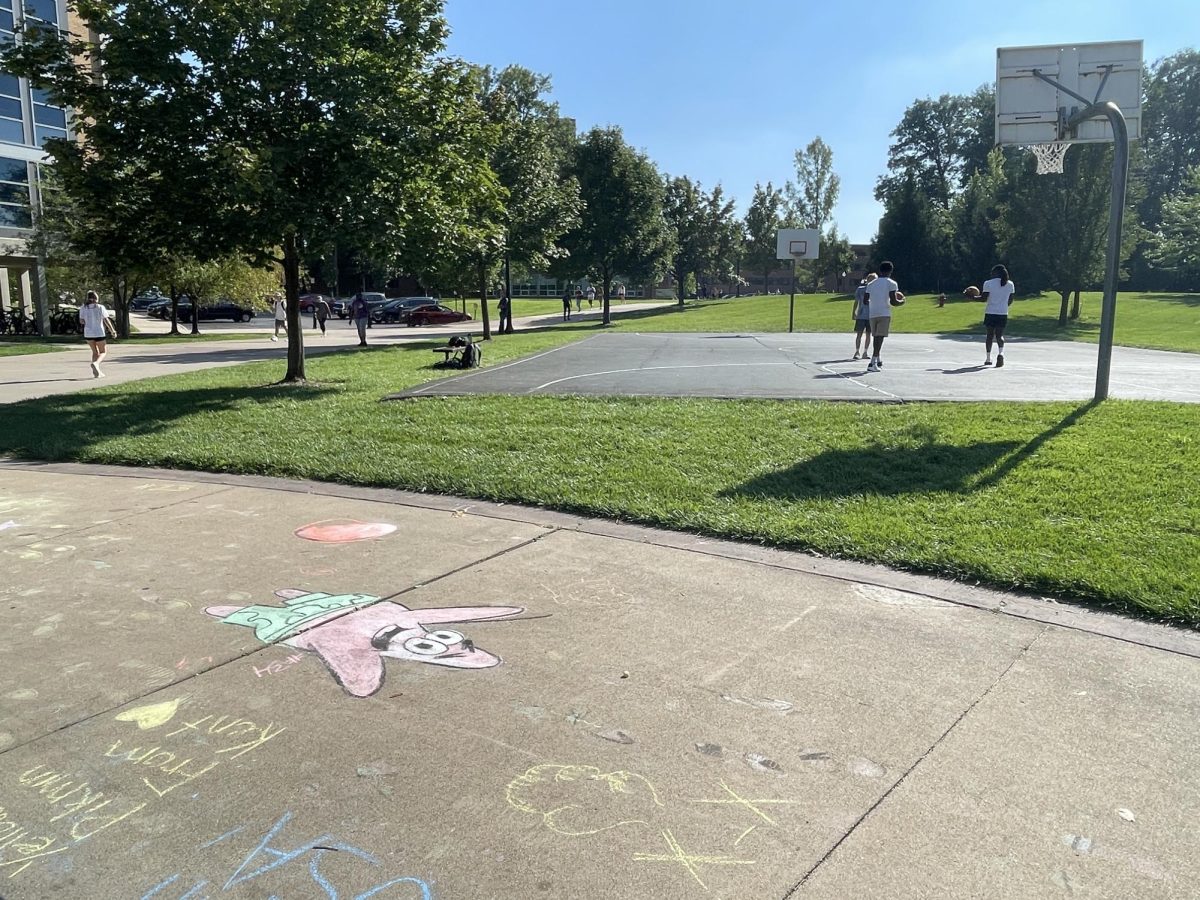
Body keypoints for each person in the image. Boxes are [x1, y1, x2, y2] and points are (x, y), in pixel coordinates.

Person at [863, 261, 900, 373]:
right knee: (880, 338)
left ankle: (878, 359)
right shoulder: (892, 283)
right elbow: (893, 301)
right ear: (890, 271)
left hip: (872, 313)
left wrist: (875, 300)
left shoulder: (871, 284)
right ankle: (872, 362)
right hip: (884, 313)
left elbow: (865, 301)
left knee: (876, 337)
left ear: (880, 270)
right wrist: (901, 301)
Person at [980, 264, 1016, 367]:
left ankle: (988, 358)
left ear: (996, 273)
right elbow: (1010, 300)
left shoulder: (988, 283)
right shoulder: (1010, 284)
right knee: (999, 335)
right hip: (1002, 313)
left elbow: (983, 298)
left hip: (990, 312)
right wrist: (1004, 305)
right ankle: (1001, 354)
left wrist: (971, 297)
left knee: (990, 335)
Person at [78, 290, 115, 378]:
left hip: (88, 333)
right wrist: (112, 330)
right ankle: (96, 363)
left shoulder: (83, 308)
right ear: (95, 298)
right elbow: (106, 320)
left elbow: (81, 321)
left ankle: (96, 372)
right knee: (103, 351)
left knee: (95, 352)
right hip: (99, 332)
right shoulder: (100, 307)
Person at [851, 274, 875, 360]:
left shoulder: (876, 291)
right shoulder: (860, 289)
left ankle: (865, 352)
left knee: (869, 334)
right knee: (859, 334)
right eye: (871, 280)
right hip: (861, 315)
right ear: (867, 280)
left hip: (871, 315)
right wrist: (854, 312)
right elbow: (856, 301)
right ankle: (857, 351)